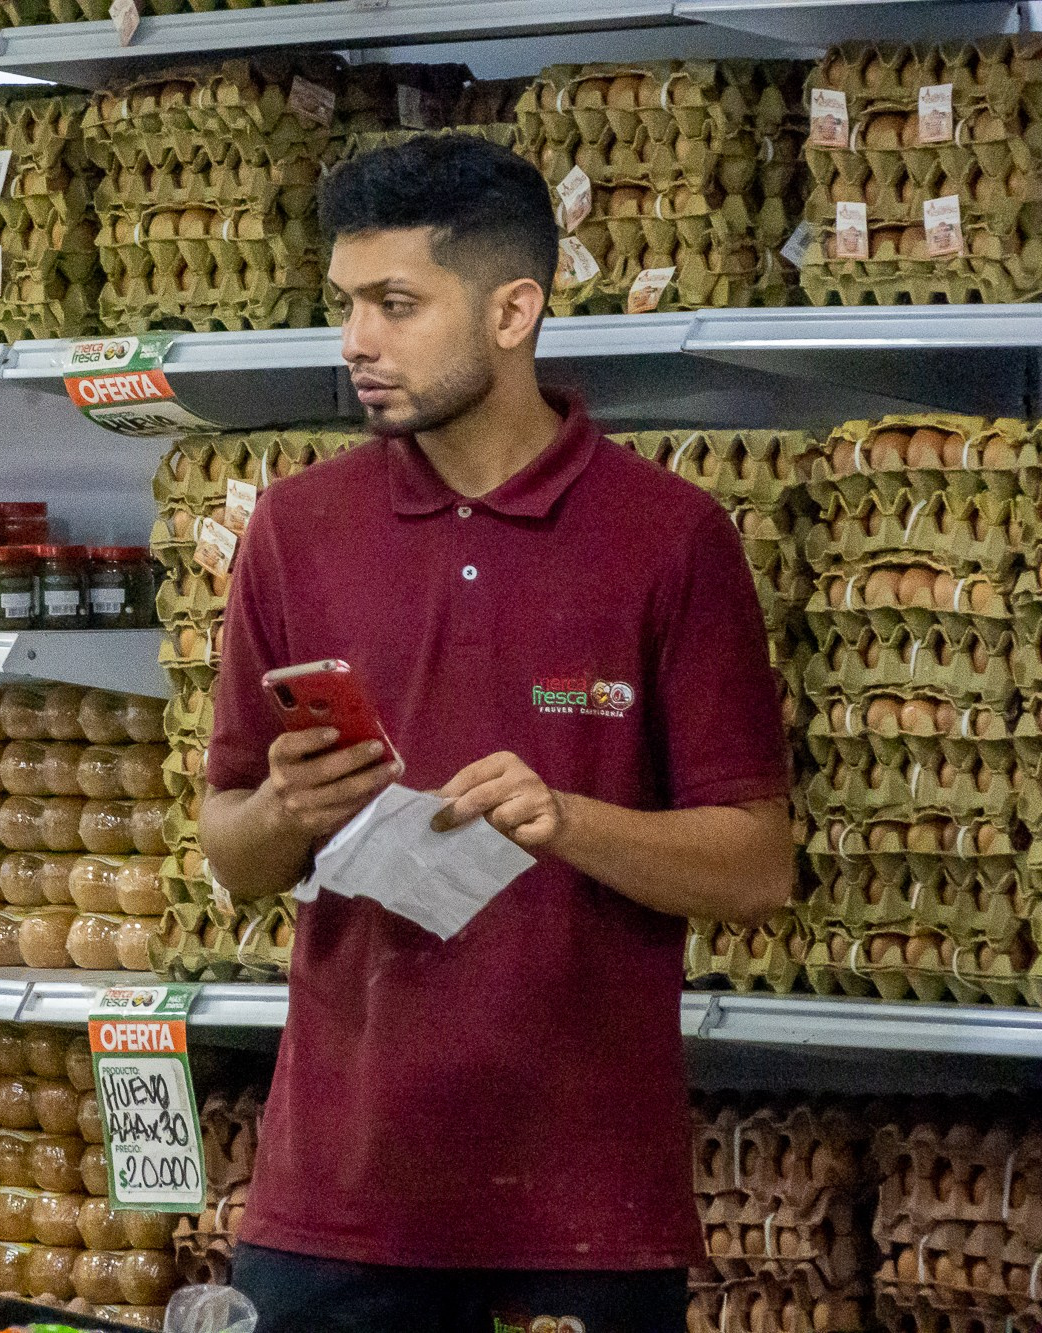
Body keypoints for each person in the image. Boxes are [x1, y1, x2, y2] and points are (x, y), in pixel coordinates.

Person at [199, 136, 798, 1332]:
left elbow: (756, 866)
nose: (356, 341)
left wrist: (564, 820)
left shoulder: (668, 538)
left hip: (583, 1212)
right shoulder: (294, 529)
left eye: (394, 305)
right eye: (346, 305)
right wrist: (283, 809)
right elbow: (227, 852)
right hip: (332, 1210)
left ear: (514, 308)